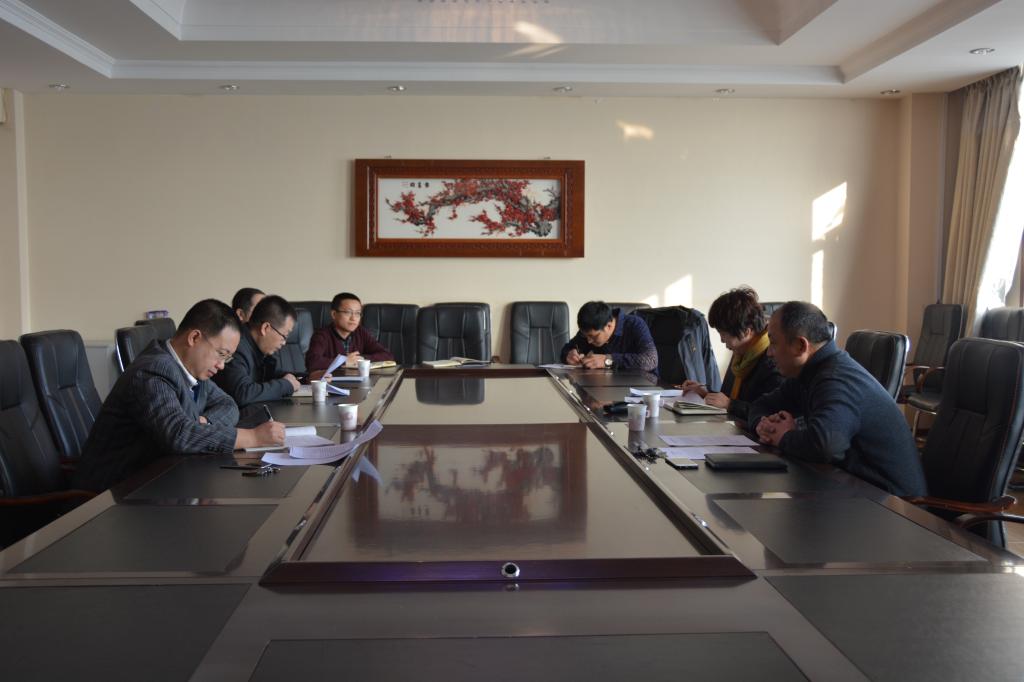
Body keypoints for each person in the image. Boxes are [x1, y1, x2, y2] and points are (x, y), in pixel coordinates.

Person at [74, 299, 285, 492]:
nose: (221, 365)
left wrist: (205, 423)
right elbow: (180, 435)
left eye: (227, 358)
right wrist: (253, 437)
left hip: (157, 479)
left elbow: (228, 404)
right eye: (221, 354)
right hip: (113, 492)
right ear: (194, 338)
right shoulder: (152, 371)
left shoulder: (192, 369)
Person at [748, 301, 927, 496]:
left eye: (773, 343)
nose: (769, 352)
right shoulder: (807, 372)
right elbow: (761, 405)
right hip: (850, 485)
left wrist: (784, 437)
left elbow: (825, 445)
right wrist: (763, 425)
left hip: (893, 502)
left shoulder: (836, 379)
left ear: (800, 346)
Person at [680, 287, 782, 421]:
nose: (722, 340)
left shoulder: (773, 361)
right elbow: (727, 397)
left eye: (723, 334)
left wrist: (730, 405)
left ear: (746, 332)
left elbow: (770, 413)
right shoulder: (741, 353)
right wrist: (703, 393)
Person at [213, 295, 302, 406]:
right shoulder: (236, 346)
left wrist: (301, 378)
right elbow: (242, 394)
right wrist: (286, 385)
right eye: (284, 335)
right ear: (265, 328)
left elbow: (265, 378)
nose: (284, 343)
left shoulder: (256, 348)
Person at [306, 292, 394, 380]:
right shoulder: (322, 335)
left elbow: (387, 356)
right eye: (348, 312)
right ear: (334, 314)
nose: (353, 318)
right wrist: (343, 361)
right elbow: (312, 362)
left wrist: (360, 359)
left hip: (356, 382)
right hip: (332, 383)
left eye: (357, 313)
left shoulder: (360, 332)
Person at [559, 301, 658, 372]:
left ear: (609, 326)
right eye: (585, 336)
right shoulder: (590, 330)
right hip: (607, 383)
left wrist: (608, 360)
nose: (589, 341)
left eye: (593, 336)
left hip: (641, 387)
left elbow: (651, 360)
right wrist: (569, 354)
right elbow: (568, 348)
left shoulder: (635, 324)